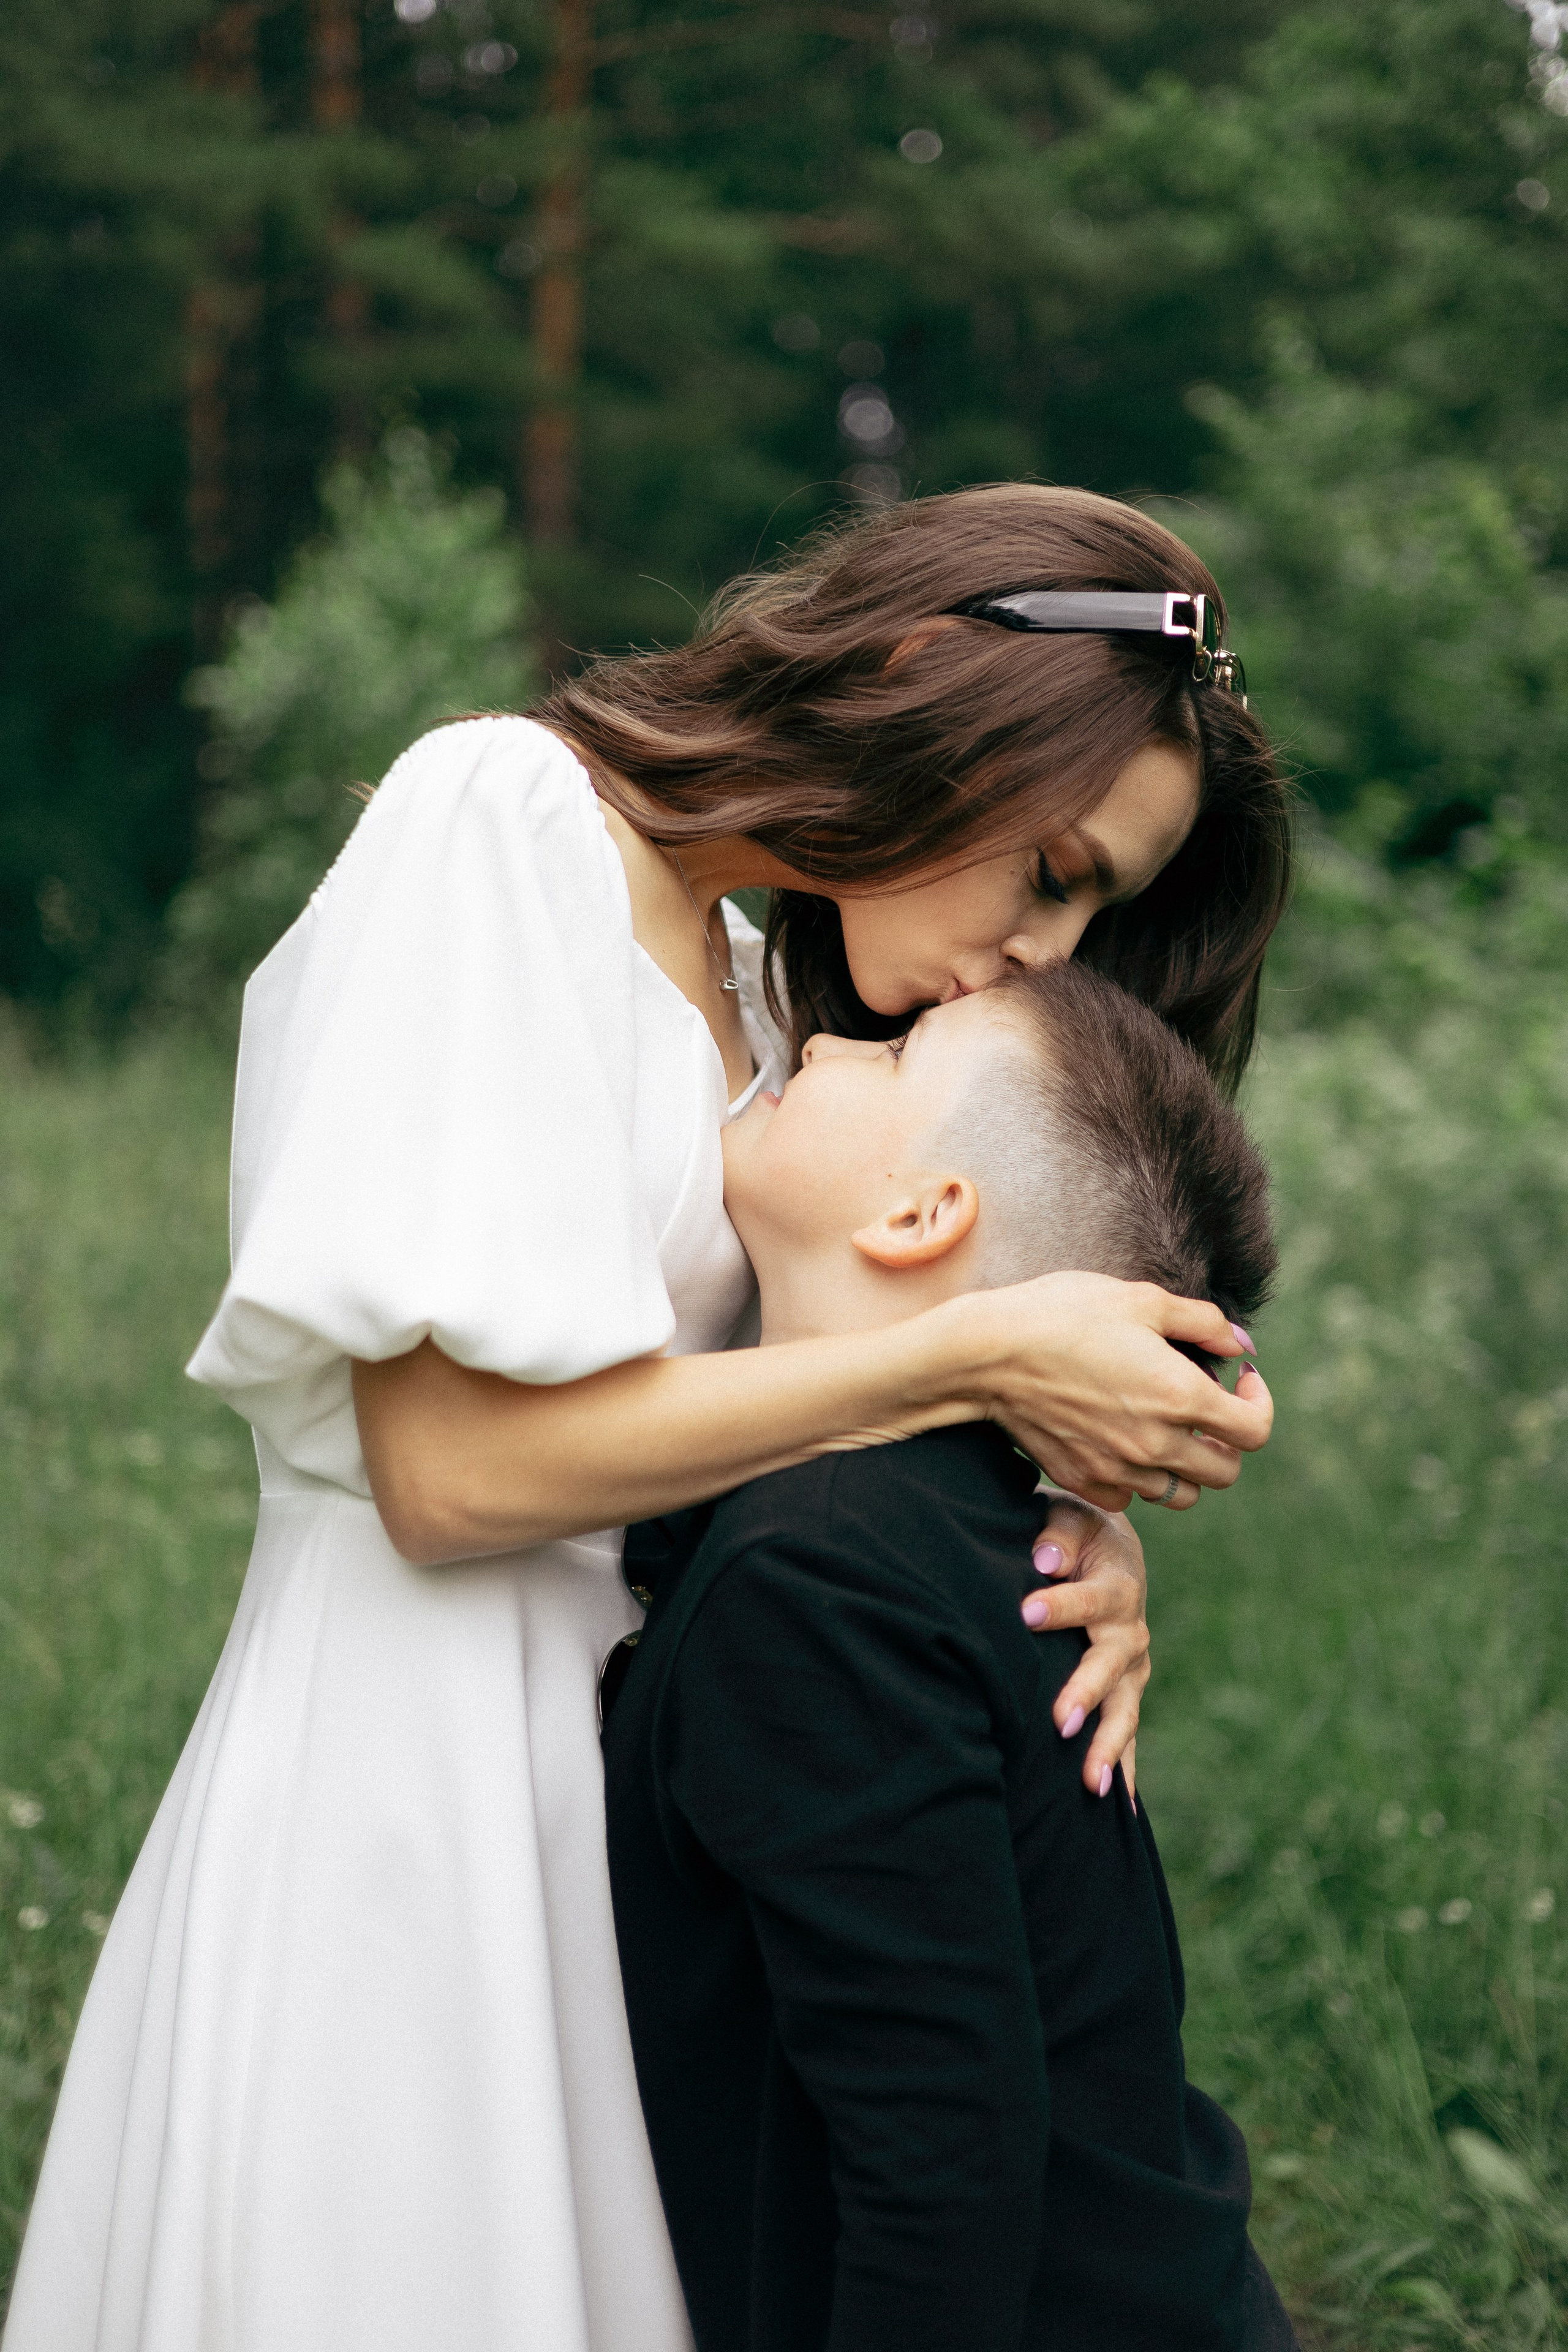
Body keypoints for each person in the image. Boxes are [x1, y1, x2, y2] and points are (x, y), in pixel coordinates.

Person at [4, 487, 1283, 2352]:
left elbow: (770, 1411)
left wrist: (1061, 1535)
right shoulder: (499, 824)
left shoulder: (776, 997)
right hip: (413, 1795)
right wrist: (972, 1361)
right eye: (1058, 868)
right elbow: (447, 1476)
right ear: (936, 682)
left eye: (1097, 910)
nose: (1049, 955)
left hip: (671, 1816)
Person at [603, 959, 1299, 2352]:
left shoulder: (818, 1579)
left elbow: (944, 2157)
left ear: (925, 1214)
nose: (834, 1047)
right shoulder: (953, 1529)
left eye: (900, 1051)